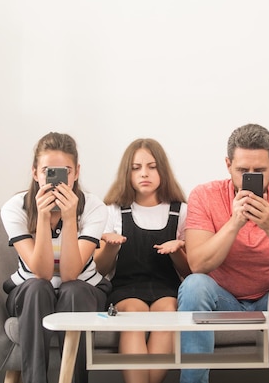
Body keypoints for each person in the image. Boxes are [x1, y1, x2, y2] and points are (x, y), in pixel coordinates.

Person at [177, 123, 269, 383]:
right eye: (242, 170)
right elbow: (198, 264)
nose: (251, 176)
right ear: (227, 164)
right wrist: (235, 222)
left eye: (260, 170)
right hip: (222, 299)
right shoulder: (204, 195)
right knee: (194, 286)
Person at [0, 132, 111, 383]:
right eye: (48, 171)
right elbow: (42, 272)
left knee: (73, 290)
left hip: (83, 289)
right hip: (30, 291)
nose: (57, 180)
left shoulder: (93, 207)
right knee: (39, 287)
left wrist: (70, 218)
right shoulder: (14, 208)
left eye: (66, 171)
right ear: (35, 172)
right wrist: (42, 217)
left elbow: (71, 274)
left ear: (76, 172)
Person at [95, 138, 190, 383]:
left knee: (168, 309)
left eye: (152, 166)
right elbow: (100, 269)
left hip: (166, 287)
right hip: (126, 289)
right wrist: (110, 247)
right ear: (127, 173)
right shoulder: (114, 210)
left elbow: (189, 272)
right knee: (133, 312)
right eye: (136, 168)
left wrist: (177, 250)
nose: (144, 174)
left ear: (163, 170)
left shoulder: (180, 211)